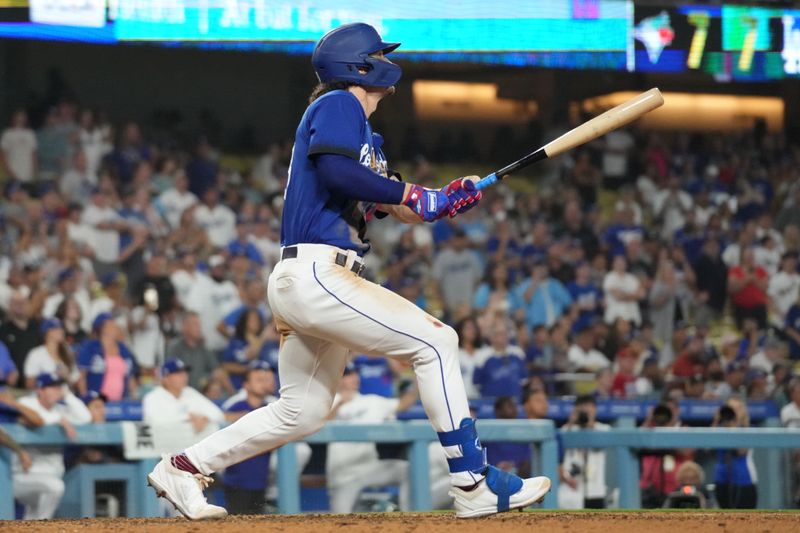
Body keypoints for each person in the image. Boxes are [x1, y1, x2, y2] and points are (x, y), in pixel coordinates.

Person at [146, 22, 549, 520]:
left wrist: (447, 197)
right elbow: (341, 173)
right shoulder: (338, 103)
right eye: (377, 55)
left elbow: (395, 204)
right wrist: (412, 195)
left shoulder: (364, 135)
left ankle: (184, 467)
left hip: (308, 278)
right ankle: (472, 480)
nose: (386, 61)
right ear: (359, 66)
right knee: (437, 342)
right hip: (318, 273)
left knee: (302, 411)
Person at [13, 373, 92, 519]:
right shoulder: (27, 403)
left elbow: (85, 418)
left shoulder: (59, 409)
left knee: (34, 513)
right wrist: (59, 420)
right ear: (40, 390)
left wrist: (68, 395)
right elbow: (37, 420)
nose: (57, 390)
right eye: (52, 387)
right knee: (55, 487)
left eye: (58, 387)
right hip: (23, 476)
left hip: (49, 475)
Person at [142, 358, 225, 433]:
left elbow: (218, 414)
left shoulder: (190, 392)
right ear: (165, 378)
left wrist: (204, 418)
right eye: (178, 373)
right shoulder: (152, 397)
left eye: (185, 372)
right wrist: (188, 418)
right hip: (161, 446)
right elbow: (155, 422)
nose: (184, 376)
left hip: (187, 444)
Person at [558, 395, 609, 509]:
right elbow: (559, 443)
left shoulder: (604, 429)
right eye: (582, 409)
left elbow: (603, 440)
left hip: (597, 489)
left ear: (595, 409)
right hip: (573, 489)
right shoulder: (568, 429)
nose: (585, 412)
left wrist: (590, 423)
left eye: (589, 408)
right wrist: (571, 422)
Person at [77, 312, 138, 401]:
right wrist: (86, 400)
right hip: (97, 401)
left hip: (120, 402)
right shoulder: (90, 347)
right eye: (111, 325)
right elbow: (81, 377)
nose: (115, 327)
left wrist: (134, 397)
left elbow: (130, 376)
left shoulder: (123, 348)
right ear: (102, 329)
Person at [713, 402, 758, 508]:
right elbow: (707, 446)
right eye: (731, 408)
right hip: (721, 478)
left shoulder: (748, 429)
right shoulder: (719, 429)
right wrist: (717, 420)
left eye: (737, 408)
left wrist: (733, 426)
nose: (733, 411)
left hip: (743, 479)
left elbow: (741, 450)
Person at [24, 318, 79, 389]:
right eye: (55, 328)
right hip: (44, 395)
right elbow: (29, 384)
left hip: (66, 395)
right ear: (45, 333)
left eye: (61, 328)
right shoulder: (36, 353)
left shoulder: (68, 352)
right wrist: (52, 377)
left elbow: (76, 382)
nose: (60, 331)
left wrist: (67, 377)